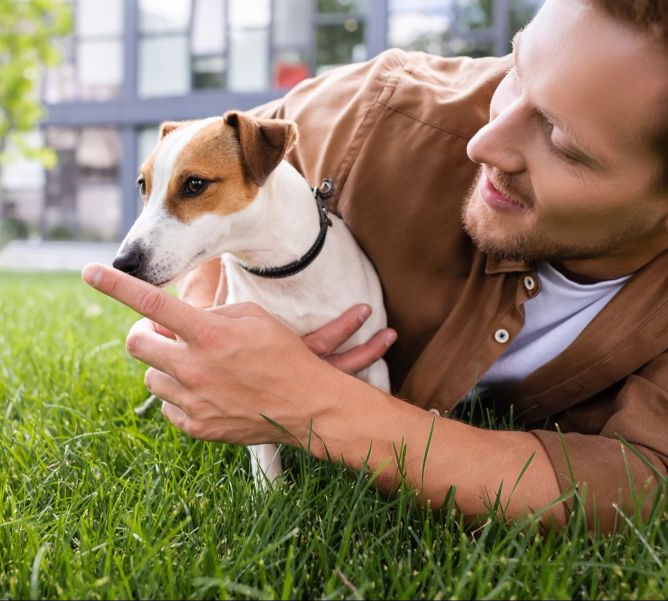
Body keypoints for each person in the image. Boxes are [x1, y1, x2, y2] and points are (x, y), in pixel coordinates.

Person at [83, 0, 667, 532]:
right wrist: (211, 306)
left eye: (561, 140)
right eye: (515, 70)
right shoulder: (384, 109)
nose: (483, 143)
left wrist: (312, 405)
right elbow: (204, 156)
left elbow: (638, 485)